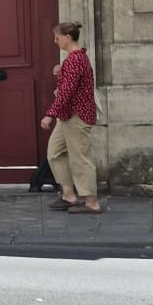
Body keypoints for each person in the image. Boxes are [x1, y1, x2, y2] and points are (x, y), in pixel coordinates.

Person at [43, 20, 100, 213]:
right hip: (68, 115)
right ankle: (68, 195)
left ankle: (92, 202)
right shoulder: (74, 59)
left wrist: (49, 115)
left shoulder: (75, 59)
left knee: (80, 158)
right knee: (55, 152)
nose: (55, 41)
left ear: (67, 37)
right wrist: (61, 72)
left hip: (77, 115)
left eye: (57, 38)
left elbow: (67, 92)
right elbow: (70, 84)